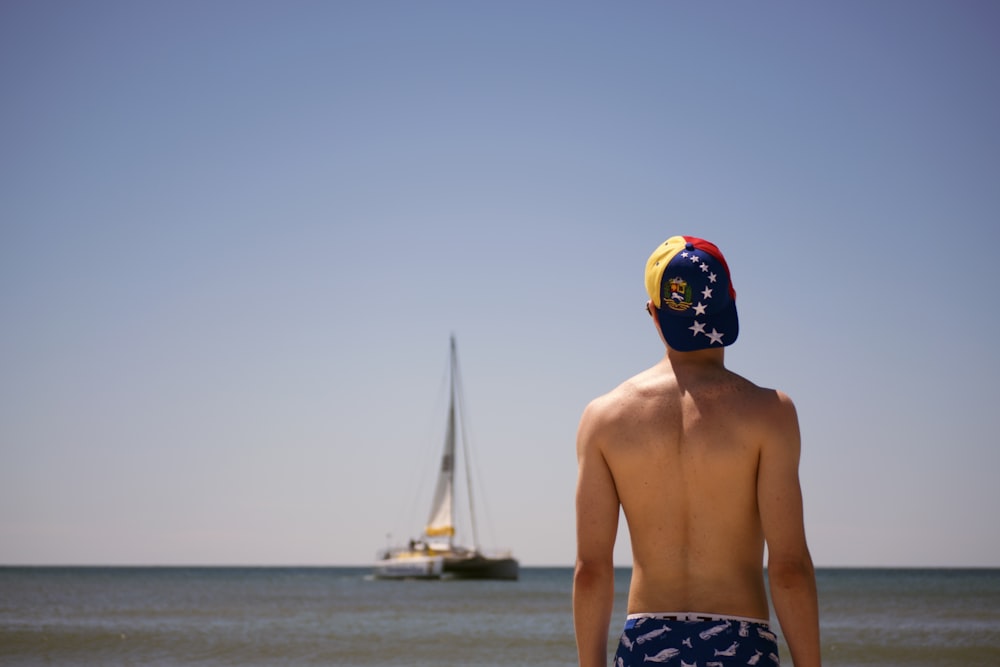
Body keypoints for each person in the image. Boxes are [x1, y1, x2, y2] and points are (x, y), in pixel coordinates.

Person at [573, 236, 820, 667]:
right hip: (742, 643)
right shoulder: (771, 413)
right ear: (732, 299)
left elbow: (592, 569)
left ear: (653, 313)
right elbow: (789, 567)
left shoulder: (604, 418)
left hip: (647, 644)